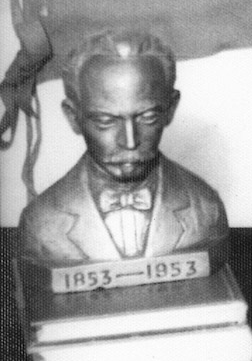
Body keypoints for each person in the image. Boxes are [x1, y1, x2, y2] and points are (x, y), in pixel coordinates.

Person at [18, 30, 229, 269]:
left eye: (147, 117)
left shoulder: (206, 207)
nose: (129, 142)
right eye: (105, 121)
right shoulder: (40, 220)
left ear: (170, 109)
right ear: (73, 117)